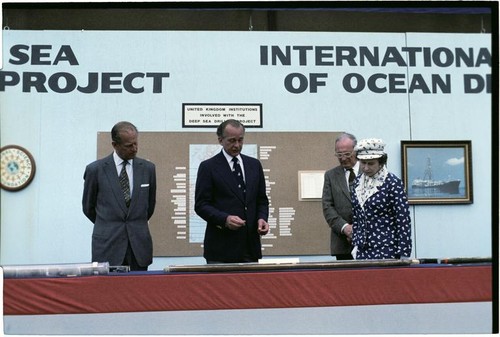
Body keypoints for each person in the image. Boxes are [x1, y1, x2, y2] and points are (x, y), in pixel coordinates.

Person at [82, 121, 157, 271]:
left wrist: (133, 225)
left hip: (138, 248)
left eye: (136, 144)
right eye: (129, 146)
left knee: (139, 292)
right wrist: (108, 225)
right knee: (108, 293)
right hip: (107, 247)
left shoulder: (148, 169)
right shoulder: (95, 170)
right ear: (115, 145)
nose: (134, 149)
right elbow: (88, 208)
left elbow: (149, 207)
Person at [195, 119, 269, 264]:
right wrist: (225, 219)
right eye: (232, 141)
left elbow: (261, 200)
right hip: (221, 249)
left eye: (240, 140)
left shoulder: (254, 165)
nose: (237, 145)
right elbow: (201, 205)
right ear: (220, 140)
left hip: (250, 247)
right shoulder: (208, 167)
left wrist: (262, 218)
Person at [351, 138, 412, 260]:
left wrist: (403, 253)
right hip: (362, 249)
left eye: (371, 163)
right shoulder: (357, 182)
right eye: (363, 163)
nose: (366, 168)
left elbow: (403, 219)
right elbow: (356, 216)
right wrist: (355, 243)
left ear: (381, 162)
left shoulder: (392, 183)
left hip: (386, 249)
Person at [322, 133, 360, 260]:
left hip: (369, 243)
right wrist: (345, 228)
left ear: (356, 151)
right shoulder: (331, 176)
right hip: (342, 244)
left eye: (347, 154)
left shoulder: (369, 171)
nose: (343, 158)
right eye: (339, 155)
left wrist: (359, 229)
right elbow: (327, 207)